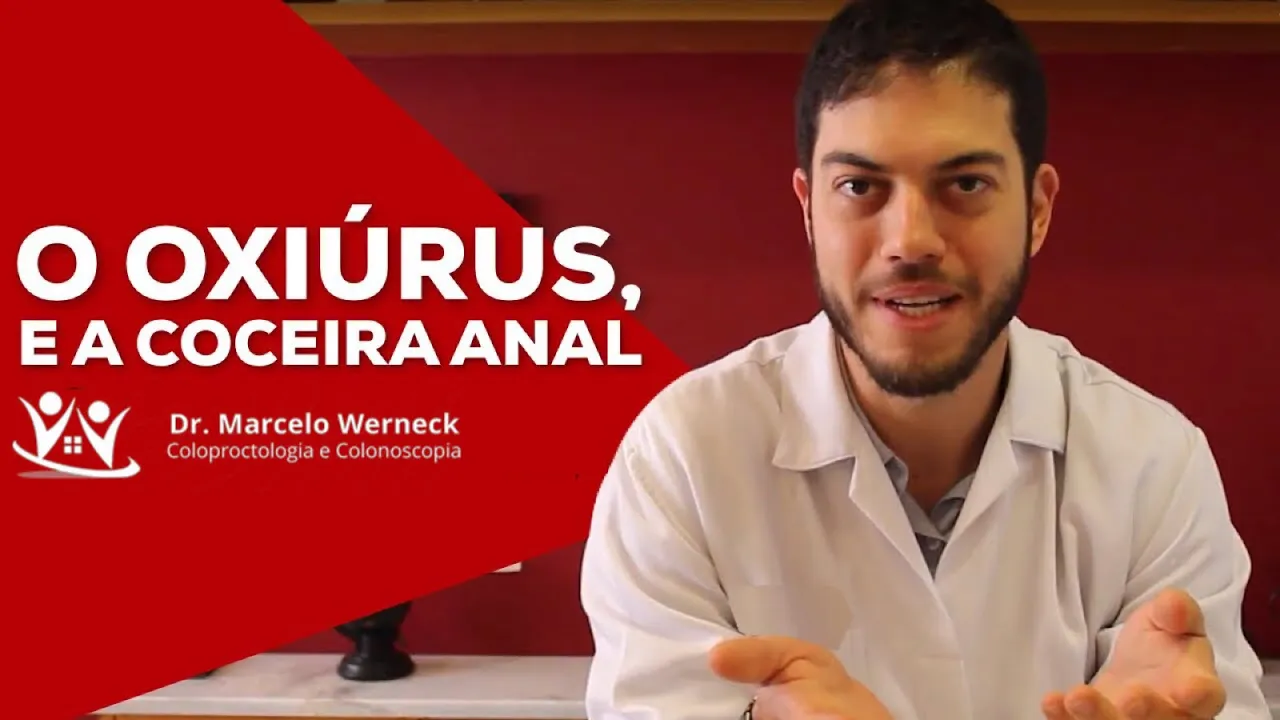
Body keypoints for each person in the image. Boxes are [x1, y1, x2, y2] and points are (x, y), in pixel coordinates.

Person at [578, 1, 1272, 719]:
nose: (910, 241)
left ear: (1037, 210)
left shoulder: (1155, 462)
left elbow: (1201, 694)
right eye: (860, 187)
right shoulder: (683, 455)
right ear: (809, 208)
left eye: (965, 184)